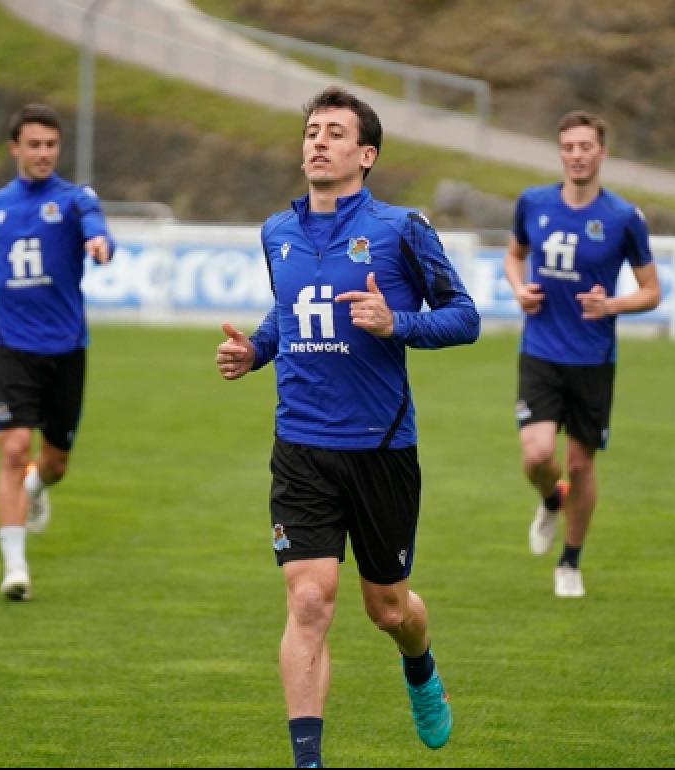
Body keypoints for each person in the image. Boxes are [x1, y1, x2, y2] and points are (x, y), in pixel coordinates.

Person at [216, 85, 479, 768]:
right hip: (301, 446)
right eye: (311, 131)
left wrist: (398, 323)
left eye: (335, 132)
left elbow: (465, 317)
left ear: (366, 155)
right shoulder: (277, 232)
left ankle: (420, 668)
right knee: (308, 600)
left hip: (380, 448)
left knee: (388, 609)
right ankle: (308, 761)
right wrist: (256, 351)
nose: (318, 141)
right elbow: (287, 312)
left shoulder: (402, 229)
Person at [0, 103, 114, 601]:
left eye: (51, 145)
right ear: (15, 148)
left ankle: (37, 489)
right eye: (35, 144)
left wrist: (100, 243)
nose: (44, 153)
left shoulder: (75, 199)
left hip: (66, 350)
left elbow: (96, 227)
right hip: (11, 348)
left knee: (54, 463)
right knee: (14, 450)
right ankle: (15, 569)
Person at [503, 110, 661, 599]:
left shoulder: (623, 218)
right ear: (560, 153)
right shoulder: (532, 203)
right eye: (568, 147)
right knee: (536, 455)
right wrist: (518, 289)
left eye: (585, 146)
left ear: (602, 153)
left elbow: (652, 291)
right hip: (540, 350)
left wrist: (611, 305)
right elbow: (514, 255)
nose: (576, 155)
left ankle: (569, 562)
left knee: (580, 464)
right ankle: (552, 499)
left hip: (593, 359)